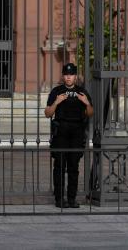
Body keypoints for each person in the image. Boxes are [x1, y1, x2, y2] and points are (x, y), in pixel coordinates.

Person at [44, 63, 93, 208]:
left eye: (71, 75)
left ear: (75, 76)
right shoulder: (56, 91)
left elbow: (90, 113)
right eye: (66, 75)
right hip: (61, 134)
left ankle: (72, 199)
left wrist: (87, 103)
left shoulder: (82, 92)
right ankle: (59, 199)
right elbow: (48, 114)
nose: (68, 77)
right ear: (63, 76)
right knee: (59, 166)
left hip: (77, 133)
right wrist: (56, 102)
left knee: (73, 167)